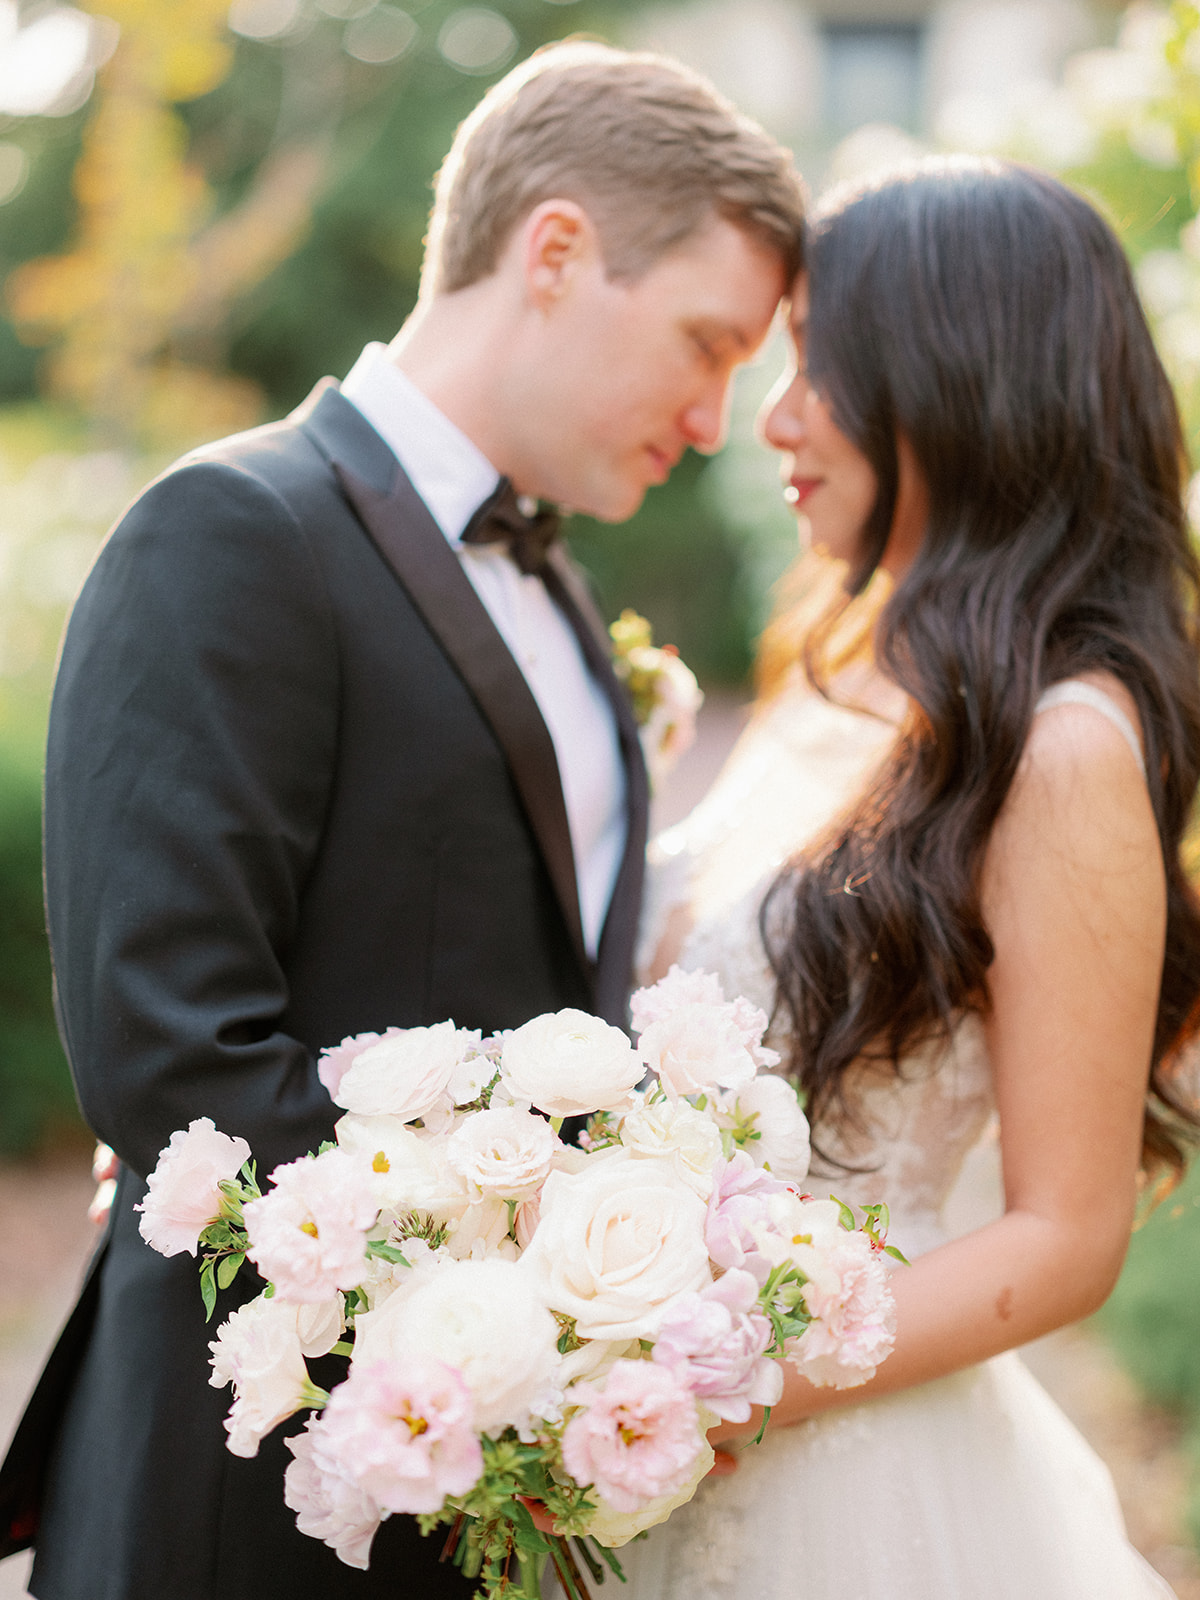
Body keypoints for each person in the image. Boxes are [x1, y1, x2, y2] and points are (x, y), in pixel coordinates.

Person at [0, 41, 804, 1600]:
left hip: (490, 1494)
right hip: (245, 1498)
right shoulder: (230, 534)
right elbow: (172, 1062)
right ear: (557, 251)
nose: (716, 421)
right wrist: (565, 1274)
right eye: (707, 345)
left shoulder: (567, 600)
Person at [622, 156, 1200, 1599]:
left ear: (958, 377)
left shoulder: (1067, 743)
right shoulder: (845, 656)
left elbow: (1066, 1238)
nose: (775, 418)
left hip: (843, 1487)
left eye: (820, 364)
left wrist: (710, 1396)